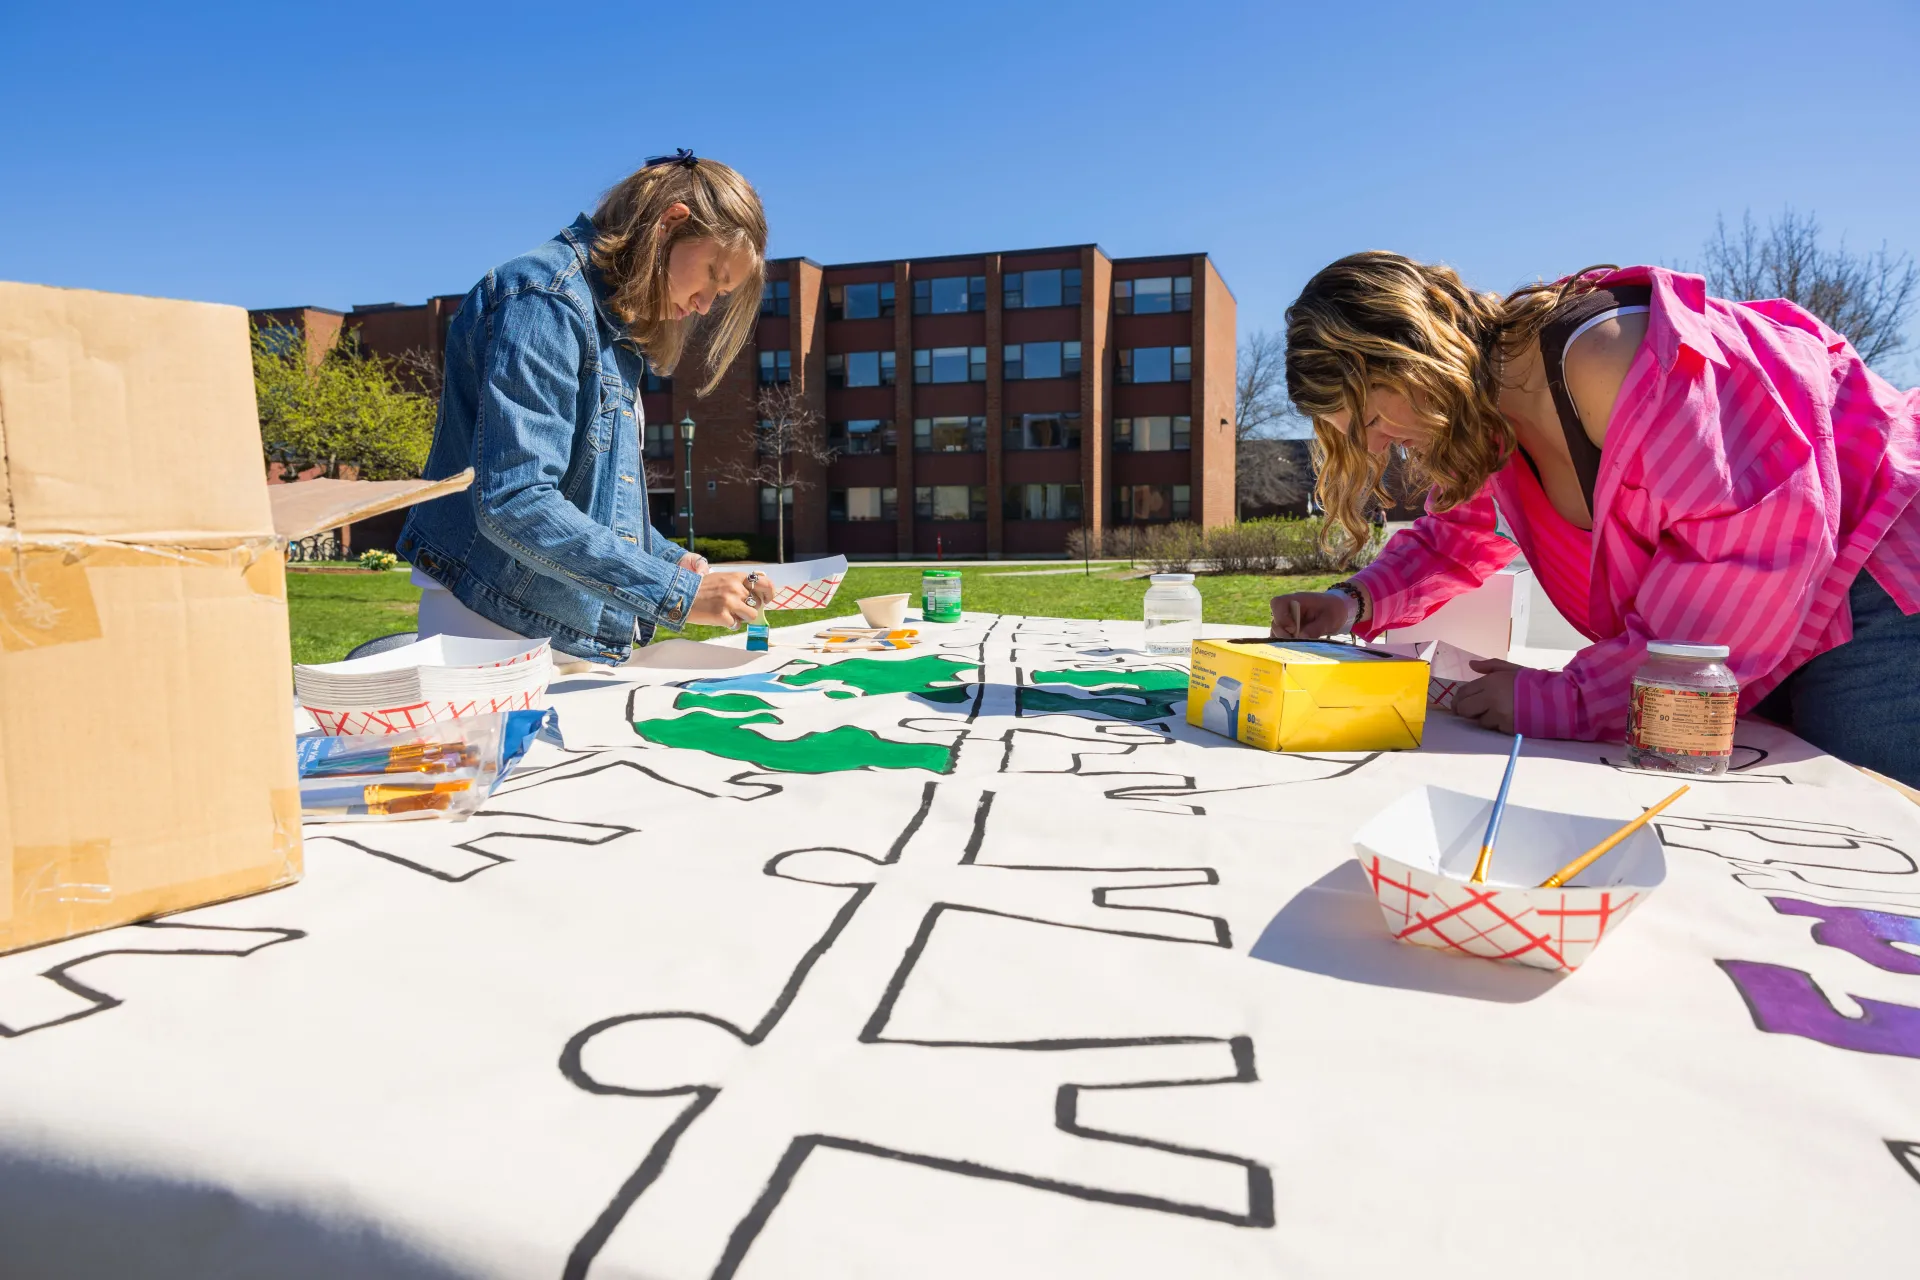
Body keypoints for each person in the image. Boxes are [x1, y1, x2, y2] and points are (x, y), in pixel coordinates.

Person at [1270, 252, 1920, 786]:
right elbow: (1454, 540)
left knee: (1873, 826)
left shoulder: (1607, 360)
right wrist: (1349, 602)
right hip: (1764, 635)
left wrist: (1571, 698)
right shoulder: (1487, 413)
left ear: (1411, 360)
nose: (1379, 446)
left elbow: (1741, 563)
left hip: (1878, 572)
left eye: (1373, 420)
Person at [398, 150, 771, 664]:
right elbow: (516, 500)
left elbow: (588, 502)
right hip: (490, 623)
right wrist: (675, 594)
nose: (705, 304)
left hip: (546, 619)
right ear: (668, 224)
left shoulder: (610, 324)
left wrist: (674, 562)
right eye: (711, 274)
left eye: (720, 294)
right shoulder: (544, 299)